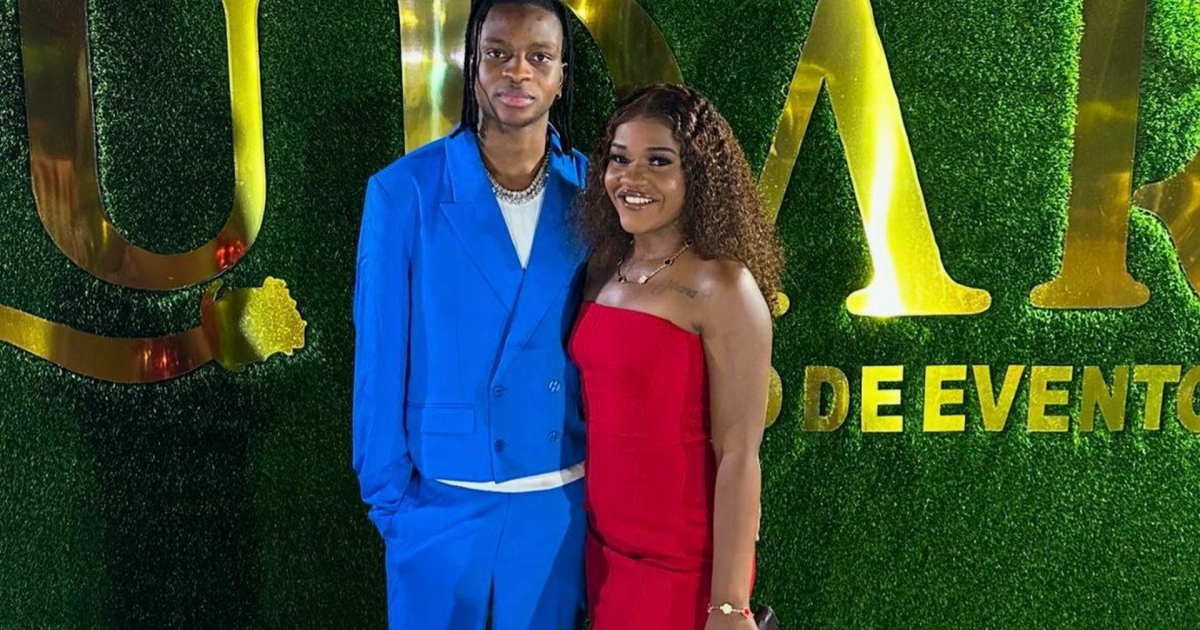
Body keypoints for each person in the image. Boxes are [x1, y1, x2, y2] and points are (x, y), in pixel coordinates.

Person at [351, 1, 589, 628]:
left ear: (561, 76)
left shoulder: (597, 195)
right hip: (439, 510)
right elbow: (378, 361)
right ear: (472, 66)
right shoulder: (403, 192)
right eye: (498, 53)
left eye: (539, 56)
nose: (518, 71)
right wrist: (395, 509)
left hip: (557, 510)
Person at [570, 84, 784, 630]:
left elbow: (739, 456)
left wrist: (729, 606)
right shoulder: (602, 268)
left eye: (658, 161)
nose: (631, 179)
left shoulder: (724, 287)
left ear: (698, 175)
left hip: (685, 575)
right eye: (620, 159)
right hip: (605, 559)